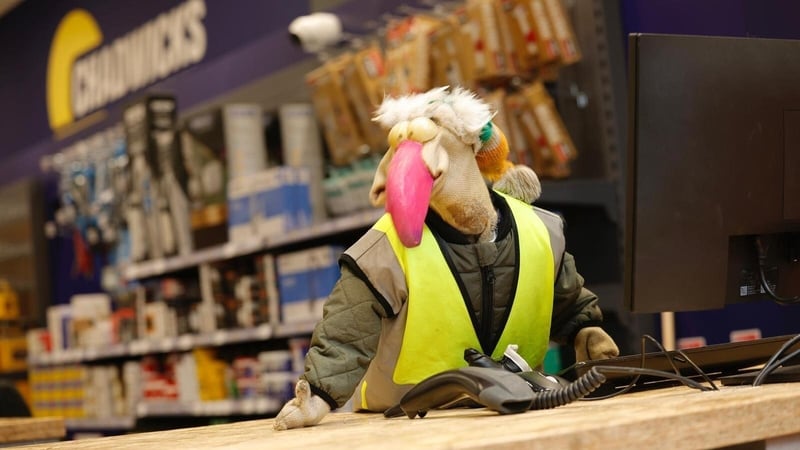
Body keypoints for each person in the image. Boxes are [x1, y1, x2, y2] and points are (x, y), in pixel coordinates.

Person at [274, 87, 618, 430]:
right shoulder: (385, 249)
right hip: (406, 422)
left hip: (517, 410)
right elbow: (346, 331)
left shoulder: (539, 229)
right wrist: (317, 395)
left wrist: (585, 329)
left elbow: (566, 298)